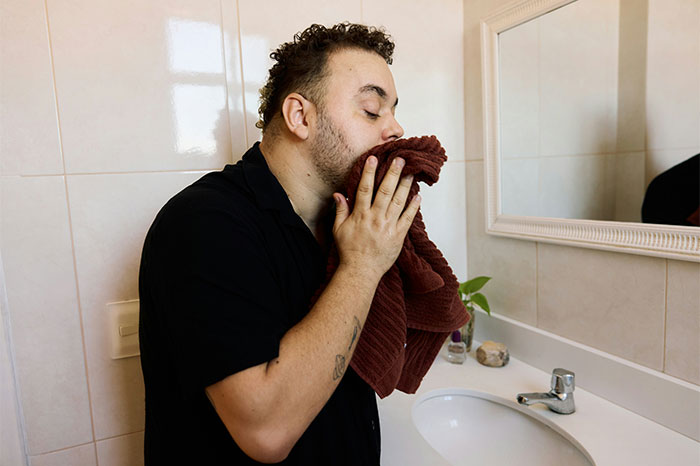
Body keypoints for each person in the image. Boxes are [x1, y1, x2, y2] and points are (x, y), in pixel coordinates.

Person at [138, 22, 420, 465]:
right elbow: (264, 431)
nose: (397, 128)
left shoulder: (342, 224)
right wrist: (363, 266)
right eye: (371, 109)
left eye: (393, 110)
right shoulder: (202, 224)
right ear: (299, 116)